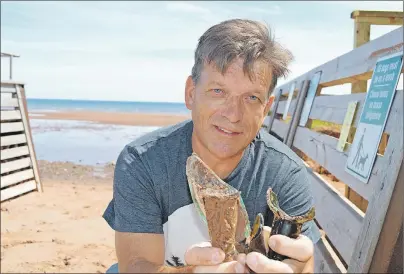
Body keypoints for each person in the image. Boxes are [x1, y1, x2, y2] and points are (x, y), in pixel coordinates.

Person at [103, 18, 321, 273]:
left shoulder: (286, 173)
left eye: (251, 98)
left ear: (266, 109)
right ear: (191, 93)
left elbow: (304, 262)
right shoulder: (143, 161)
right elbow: (137, 266)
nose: (233, 114)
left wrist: (301, 268)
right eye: (218, 91)